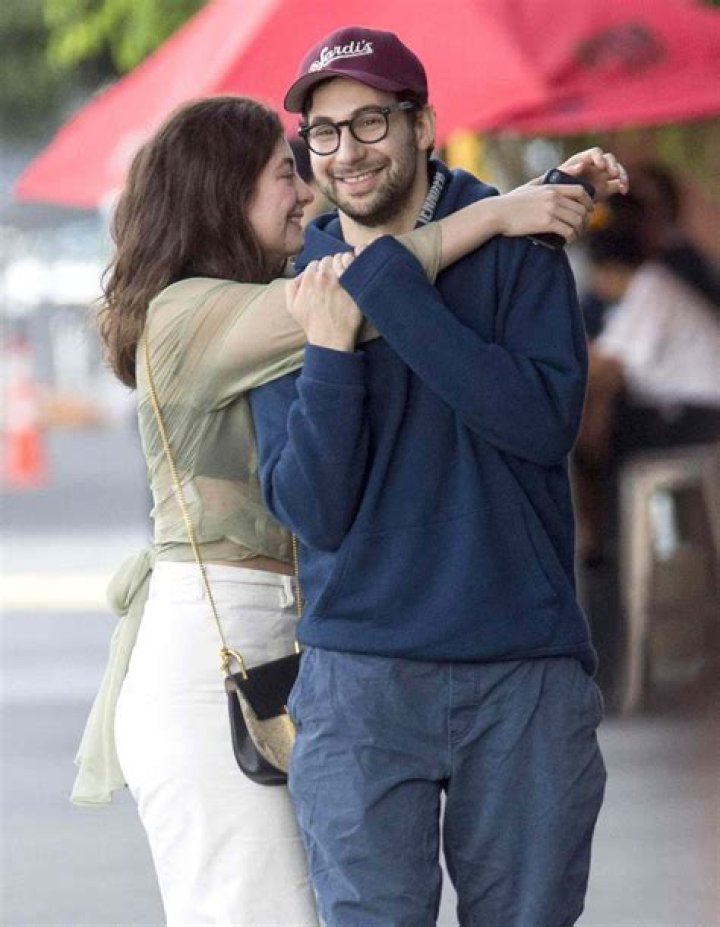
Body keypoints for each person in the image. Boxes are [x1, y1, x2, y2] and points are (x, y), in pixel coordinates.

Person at [70, 93, 619, 926]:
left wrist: (545, 194)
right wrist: (509, 208)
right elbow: (378, 280)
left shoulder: (270, 290)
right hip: (210, 650)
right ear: (224, 195)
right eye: (286, 172)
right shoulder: (190, 312)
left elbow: (372, 242)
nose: (309, 188)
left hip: (277, 636)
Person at [249, 26, 627, 927]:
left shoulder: (523, 243)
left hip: (522, 670)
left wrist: (384, 286)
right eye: (325, 134)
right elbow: (312, 510)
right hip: (360, 679)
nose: (347, 152)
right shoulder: (296, 286)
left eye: (371, 121)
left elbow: (536, 426)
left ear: (424, 125)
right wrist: (333, 354)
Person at [574, 224, 720, 565]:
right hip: (687, 410)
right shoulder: (639, 297)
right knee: (596, 431)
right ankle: (608, 540)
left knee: (600, 440)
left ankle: (653, 546)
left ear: (607, 269)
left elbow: (605, 368)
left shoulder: (651, 288)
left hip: (706, 411)